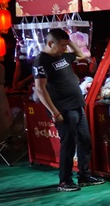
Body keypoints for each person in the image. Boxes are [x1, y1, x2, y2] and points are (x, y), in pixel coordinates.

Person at [32, 28, 105, 192]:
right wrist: (54, 112)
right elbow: (40, 90)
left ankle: (84, 175)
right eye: (62, 45)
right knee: (69, 144)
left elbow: (82, 55)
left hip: (77, 105)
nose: (65, 49)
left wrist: (69, 41)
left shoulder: (63, 55)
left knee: (85, 141)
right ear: (50, 43)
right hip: (62, 109)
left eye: (66, 45)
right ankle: (65, 180)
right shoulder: (41, 61)